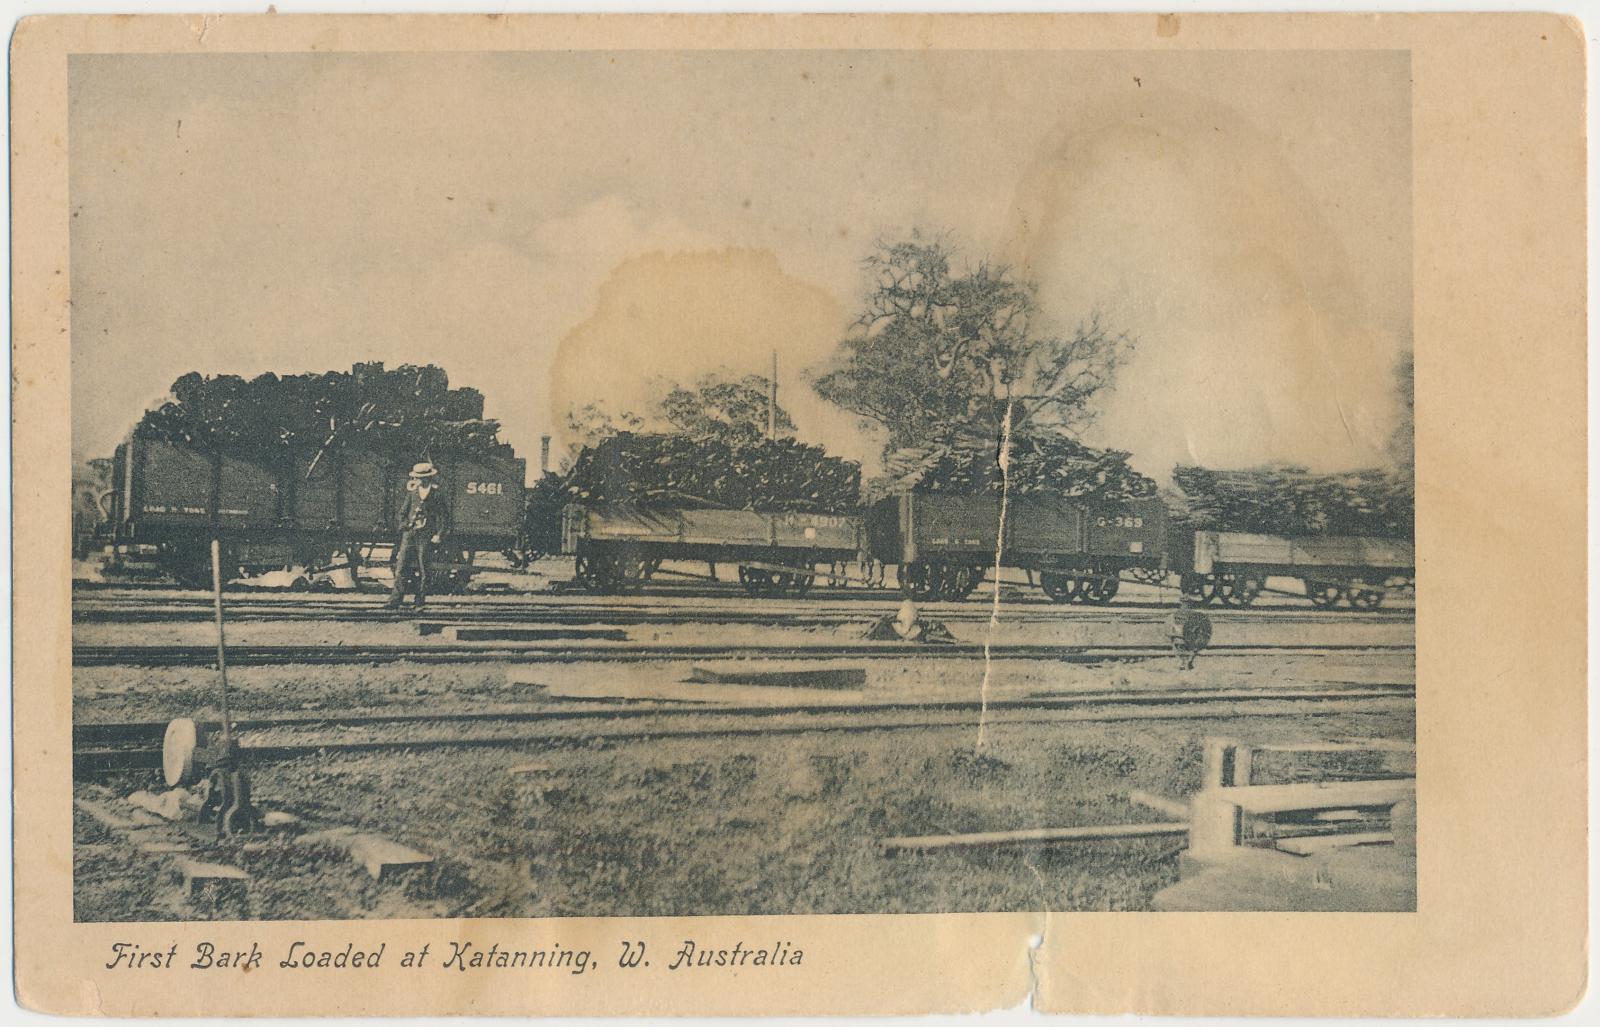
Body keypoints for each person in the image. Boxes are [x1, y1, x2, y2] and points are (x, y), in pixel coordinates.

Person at [385, 461, 449, 611]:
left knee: (424, 569)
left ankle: (419, 601)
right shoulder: (413, 493)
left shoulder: (437, 494)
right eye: (418, 478)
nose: (420, 480)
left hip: (425, 536)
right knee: (401, 567)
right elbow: (402, 512)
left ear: (429, 478)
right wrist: (405, 526)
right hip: (410, 535)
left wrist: (439, 534)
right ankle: (395, 601)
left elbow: (444, 517)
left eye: (423, 478)